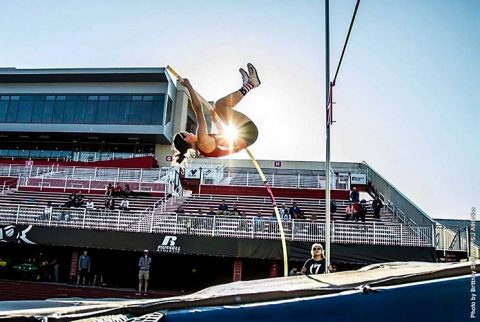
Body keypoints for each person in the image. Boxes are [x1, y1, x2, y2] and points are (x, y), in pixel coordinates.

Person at [171, 63, 260, 166]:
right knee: (220, 106)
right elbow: (198, 110)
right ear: (187, 139)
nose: (190, 133)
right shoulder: (202, 142)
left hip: (246, 136)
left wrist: (214, 119)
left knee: (219, 106)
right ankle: (251, 84)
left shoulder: (202, 147)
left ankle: (247, 85)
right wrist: (189, 87)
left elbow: (223, 135)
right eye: (187, 133)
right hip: (248, 133)